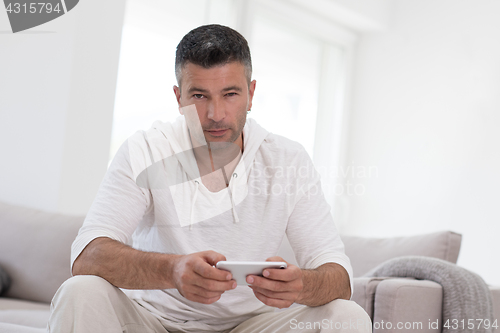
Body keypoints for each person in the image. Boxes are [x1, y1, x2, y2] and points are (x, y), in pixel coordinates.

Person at [47, 24, 371, 333]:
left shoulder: (288, 159)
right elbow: (88, 256)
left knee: (346, 315)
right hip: (151, 321)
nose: (216, 114)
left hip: (249, 325)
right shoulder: (146, 149)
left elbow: (338, 277)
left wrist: (303, 286)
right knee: (81, 291)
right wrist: (172, 270)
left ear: (251, 93)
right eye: (199, 96)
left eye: (230, 94)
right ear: (179, 98)